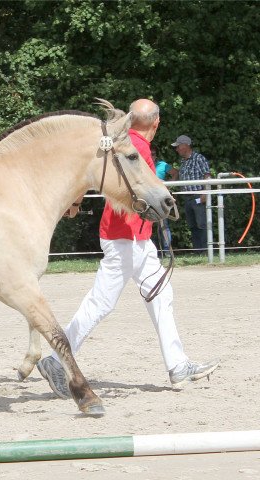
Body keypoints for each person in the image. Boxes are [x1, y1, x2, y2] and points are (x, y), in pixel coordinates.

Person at [36, 99, 219, 399]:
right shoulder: (137, 149)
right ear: (157, 124)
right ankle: (55, 360)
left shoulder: (121, 143)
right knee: (101, 303)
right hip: (127, 238)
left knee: (161, 294)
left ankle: (178, 365)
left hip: (133, 238)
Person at [171, 135, 211, 251]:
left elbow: (207, 176)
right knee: (192, 225)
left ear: (185, 145)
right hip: (187, 197)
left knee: (201, 224)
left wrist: (205, 193)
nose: (177, 149)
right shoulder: (183, 161)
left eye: (178, 146)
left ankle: (204, 251)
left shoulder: (199, 158)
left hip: (198, 195)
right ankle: (198, 250)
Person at [151, 146, 177, 252]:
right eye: (149, 154)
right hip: (147, 198)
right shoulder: (142, 165)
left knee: (164, 224)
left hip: (160, 198)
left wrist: (168, 186)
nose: (151, 156)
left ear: (156, 155)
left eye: (153, 154)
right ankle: (152, 251)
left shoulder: (162, 165)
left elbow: (175, 173)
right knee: (147, 225)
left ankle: (166, 250)